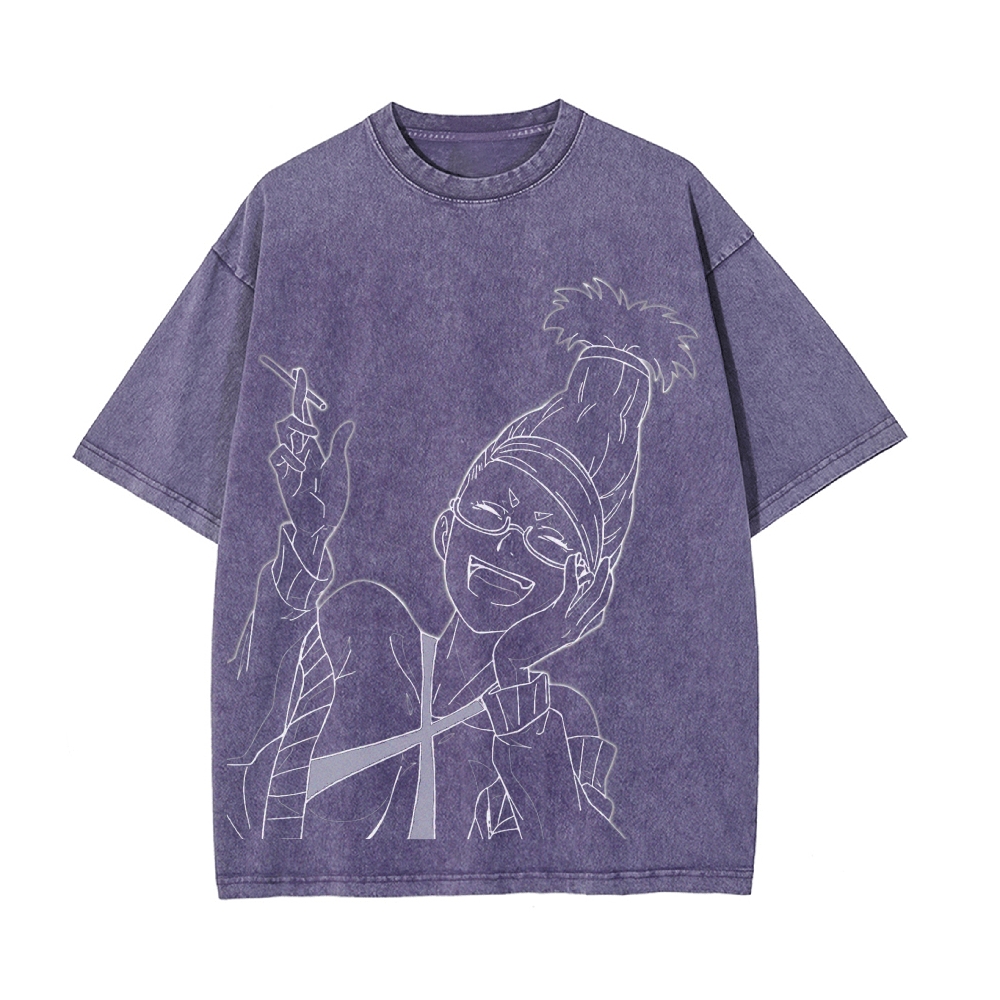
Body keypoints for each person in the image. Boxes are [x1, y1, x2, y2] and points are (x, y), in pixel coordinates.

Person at [225, 278, 695, 841]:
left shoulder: (557, 722)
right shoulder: (363, 625)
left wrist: (515, 667)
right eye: (490, 514)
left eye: (548, 543)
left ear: (583, 589)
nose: (509, 546)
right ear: (447, 528)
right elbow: (244, 727)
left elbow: (577, 853)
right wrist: (306, 536)